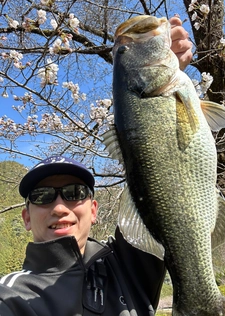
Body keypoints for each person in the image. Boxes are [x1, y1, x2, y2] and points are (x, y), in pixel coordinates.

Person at [0, 18, 192, 316]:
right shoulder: (10, 298)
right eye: (42, 197)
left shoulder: (128, 262)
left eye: (74, 192)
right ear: (26, 217)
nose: (60, 206)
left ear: (93, 210)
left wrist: (163, 70)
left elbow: (161, 183)